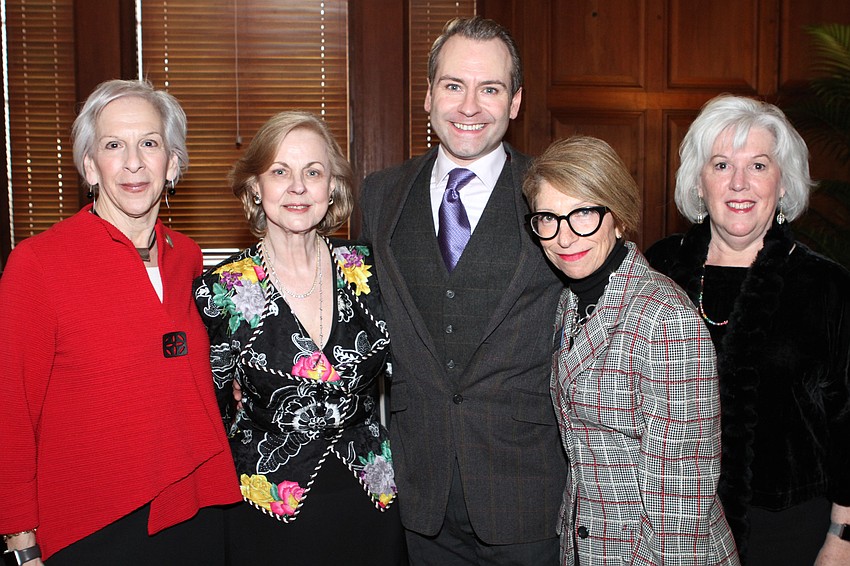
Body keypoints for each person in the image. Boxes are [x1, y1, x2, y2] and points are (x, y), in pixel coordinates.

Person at [0, 79, 241, 565]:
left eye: (149, 144)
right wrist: (20, 541)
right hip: (94, 523)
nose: (134, 162)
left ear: (172, 164)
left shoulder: (186, 257)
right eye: (114, 145)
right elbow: (12, 409)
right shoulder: (38, 264)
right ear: (90, 166)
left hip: (195, 506)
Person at [360, 15, 567, 565]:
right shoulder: (379, 195)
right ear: (427, 96)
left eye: (490, 89)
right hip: (417, 493)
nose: (469, 106)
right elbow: (351, 317)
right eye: (453, 86)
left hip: (526, 494)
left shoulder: (557, 193)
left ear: (515, 101)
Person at [193, 110, 405, 565]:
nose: (297, 187)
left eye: (313, 172)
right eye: (279, 171)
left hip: (371, 498)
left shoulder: (370, 267)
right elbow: (209, 412)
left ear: (333, 188)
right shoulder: (222, 292)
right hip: (266, 511)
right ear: (255, 188)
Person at [645, 94, 850, 565]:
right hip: (670, 525)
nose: (739, 182)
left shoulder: (827, 286)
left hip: (790, 531)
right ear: (699, 183)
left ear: (783, 183)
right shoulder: (660, 269)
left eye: (758, 165)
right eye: (721, 164)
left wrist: (842, 538)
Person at [523, 135, 740, 565]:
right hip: (589, 545)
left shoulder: (663, 318)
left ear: (618, 218)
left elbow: (683, 498)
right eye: (548, 218)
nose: (564, 237)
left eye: (583, 213)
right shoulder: (572, 301)